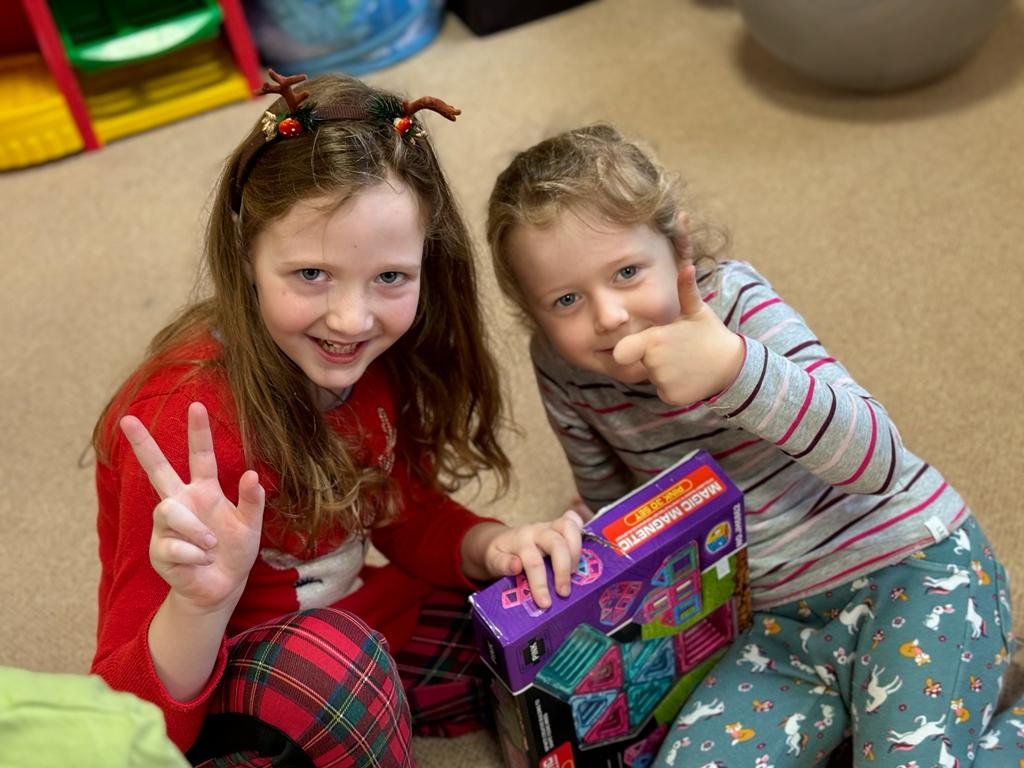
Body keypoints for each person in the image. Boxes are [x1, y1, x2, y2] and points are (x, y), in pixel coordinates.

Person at [485, 123, 1022, 767]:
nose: (608, 316)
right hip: (773, 622)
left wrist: (733, 370)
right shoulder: (559, 364)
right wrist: (581, 543)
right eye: (566, 299)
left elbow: (878, 459)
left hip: (910, 565)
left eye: (627, 272)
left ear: (679, 246)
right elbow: (614, 499)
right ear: (533, 312)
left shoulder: (735, 301)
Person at [90, 70, 584, 767]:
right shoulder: (182, 424)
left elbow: (403, 512)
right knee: (345, 677)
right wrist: (200, 604)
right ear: (246, 255)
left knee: (524, 619)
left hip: (346, 631)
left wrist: (494, 546)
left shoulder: (365, 363)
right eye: (311, 275)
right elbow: (123, 719)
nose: (352, 321)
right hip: (210, 689)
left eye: (390, 278)